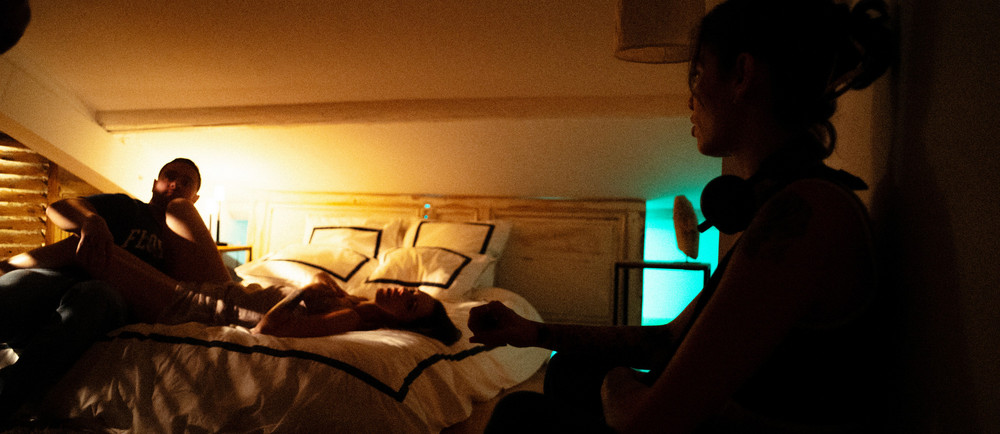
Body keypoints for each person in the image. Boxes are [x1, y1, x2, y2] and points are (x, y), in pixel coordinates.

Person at [468, 0, 894, 432]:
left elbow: (647, 421)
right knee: (569, 369)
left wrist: (616, 382)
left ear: (742, 74)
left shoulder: (804, 214)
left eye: (698, 73)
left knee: (518, 416)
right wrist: (533, 332)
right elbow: (668, 338)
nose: (690, 98)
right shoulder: (788, 199)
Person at [0, 158, 228, 421]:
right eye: (169, 176)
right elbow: (58, 208)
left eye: (185, 182)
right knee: (16, 287)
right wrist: (90, 220)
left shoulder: (184, 243)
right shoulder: (127, 208)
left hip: (109, 298)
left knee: (96, 297)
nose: (175, 183)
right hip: (61, 277)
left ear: (195, 198)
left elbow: (205, 290)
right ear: (155, 183)